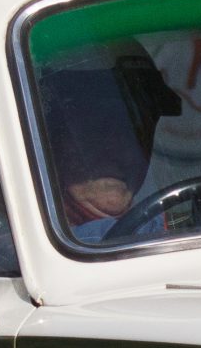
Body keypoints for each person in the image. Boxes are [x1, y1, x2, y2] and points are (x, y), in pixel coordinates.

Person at [41, 59, 166, 243]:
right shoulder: (14, 245)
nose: (117, 147)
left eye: (131, 130)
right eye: (94, 129)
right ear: (52, 141)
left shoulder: (180, 219)